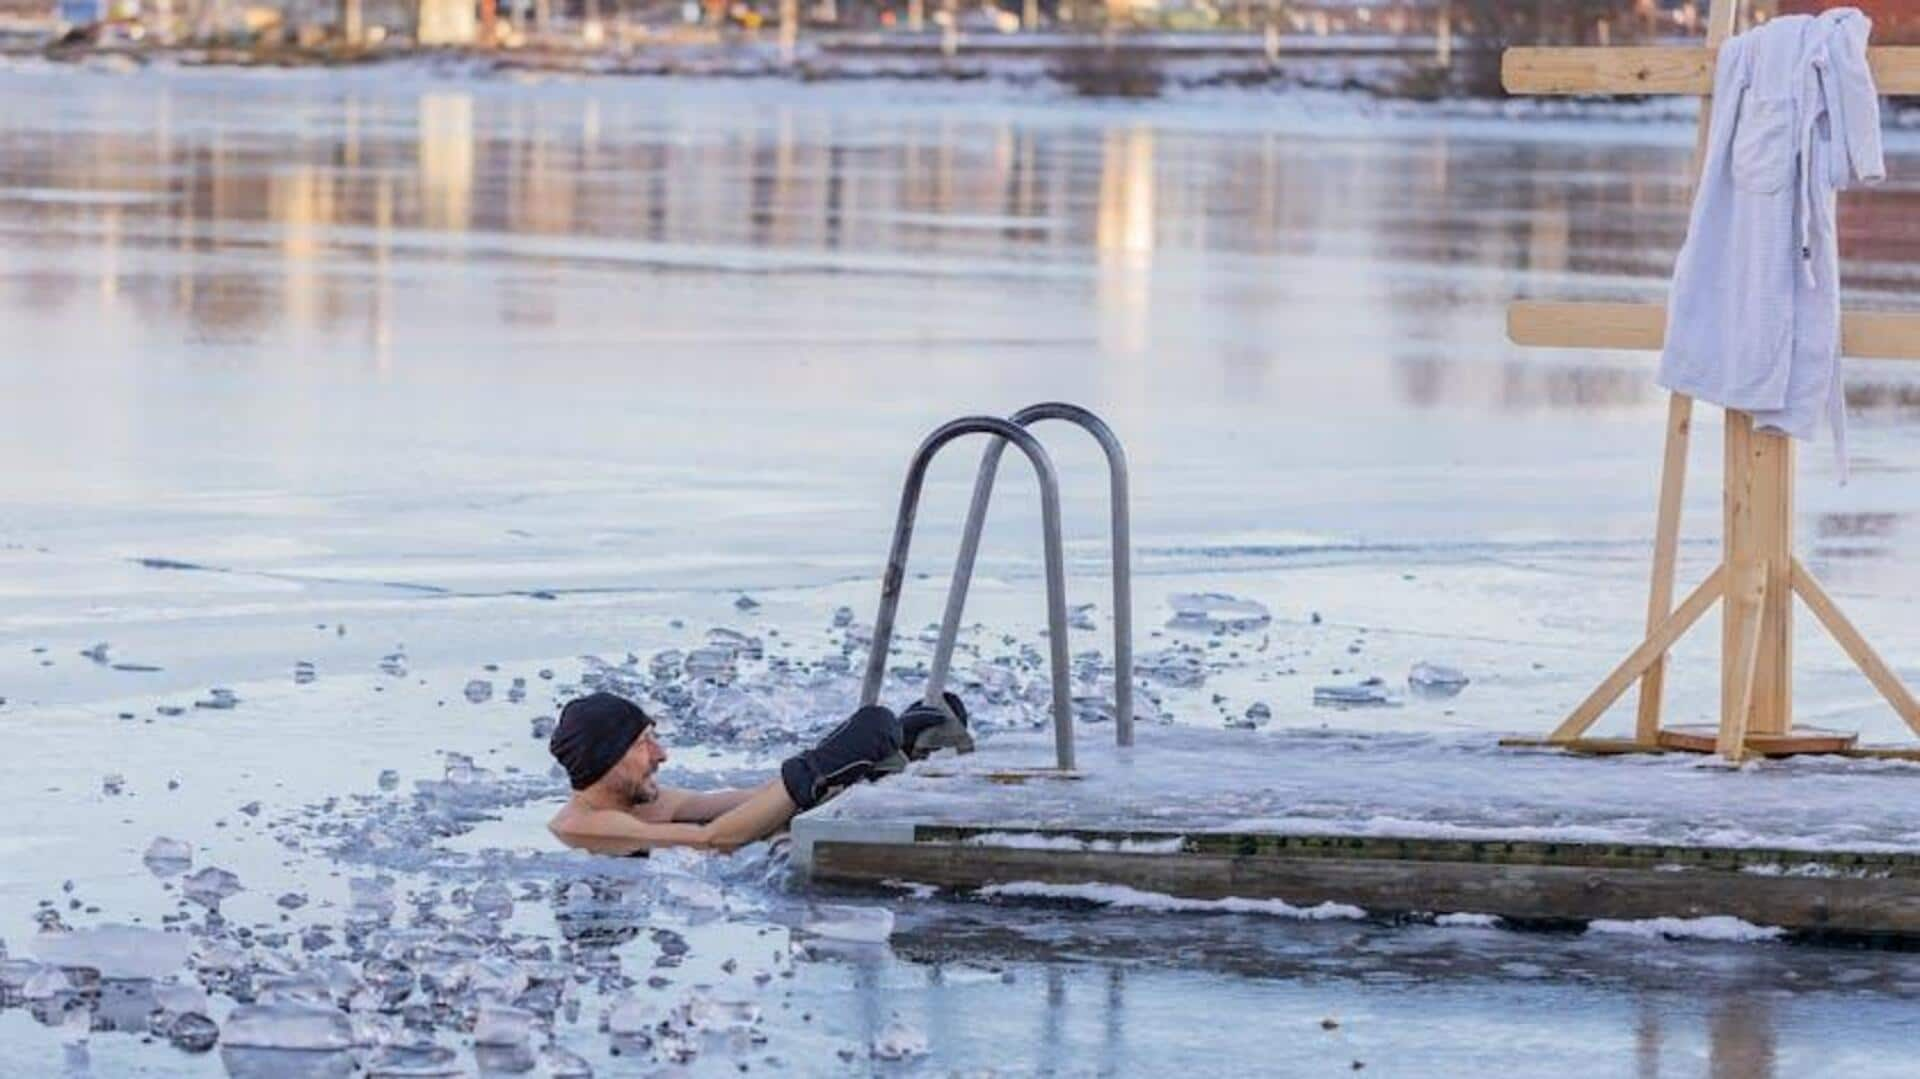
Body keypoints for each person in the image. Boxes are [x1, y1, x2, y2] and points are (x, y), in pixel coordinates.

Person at [546, 690, 968, 856]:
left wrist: (851, 764)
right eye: (643, 743)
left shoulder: (648, 801)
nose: (662, 754)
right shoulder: (591, 826)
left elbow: (748, 802)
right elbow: (714, 838)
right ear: (607, 758)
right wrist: (814, 770)